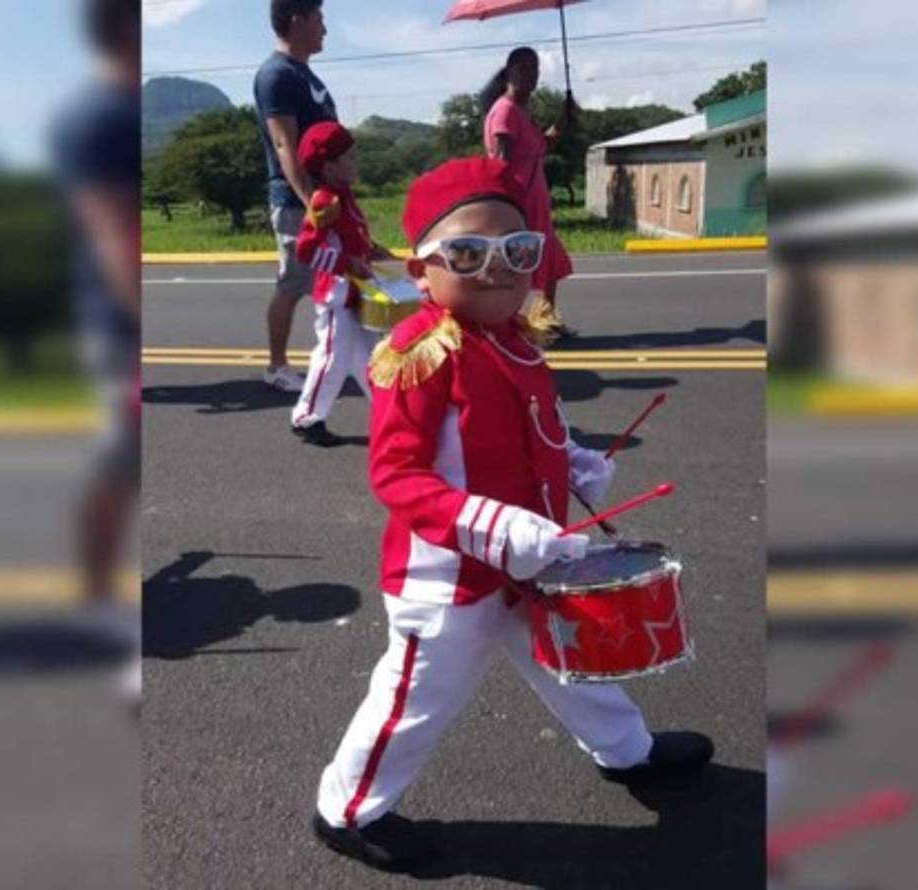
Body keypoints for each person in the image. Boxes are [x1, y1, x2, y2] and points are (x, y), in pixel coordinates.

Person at [311, 157, 714, 872]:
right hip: (449, 578)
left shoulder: (518, 341)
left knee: (571, 666)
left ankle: (628, 753)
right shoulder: (418, 350)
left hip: (534, 562)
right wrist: (498, 528)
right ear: (423, 270)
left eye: (518, 253)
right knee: (414, 700)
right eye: (468, 254)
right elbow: (395, 476)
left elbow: (536, 430)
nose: (499, 270)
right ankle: (347, 810)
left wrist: (576, 462)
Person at [51, 0, 142, 702]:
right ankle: (91, 607)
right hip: (110, 319)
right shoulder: (102, 118)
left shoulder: (116, 112)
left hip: (115, 312)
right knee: (119, 458)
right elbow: (112, 230)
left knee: (123, 458)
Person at [289, 121, 394, 447]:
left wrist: (374, 251)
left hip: (356, 293)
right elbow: (305, 249)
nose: (355, 162)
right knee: (332, 357)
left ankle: (390, 416)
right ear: (329, 166)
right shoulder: (325, 201)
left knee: (374, 358)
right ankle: (306, 418)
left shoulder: (343, 196)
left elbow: (350, 238)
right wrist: (346, 264)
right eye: (349, 158)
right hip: (337, 295)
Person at [253, 0, 336, 391]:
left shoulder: (303, 74)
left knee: (336, 280)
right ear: (296, 20)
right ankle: (276, 367)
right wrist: (312, 202)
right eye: (319, 18)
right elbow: (284, 145)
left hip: (325, 198)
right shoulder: (277, 75)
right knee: (293, 284)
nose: (325, 27)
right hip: (296, 202)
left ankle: (337, 357)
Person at [481, 46, 579, 338]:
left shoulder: (523, 111)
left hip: (535, 206)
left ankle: (545, 319)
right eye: (524, 69)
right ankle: (506, 326)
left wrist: (564, 118)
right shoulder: (506, 111)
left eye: (535, 70)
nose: (531, 76)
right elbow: (501, 162)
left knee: (548, 263)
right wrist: (509, 209)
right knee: (516, 270)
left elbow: (542, 145)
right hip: (521, 207)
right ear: (509, 71)